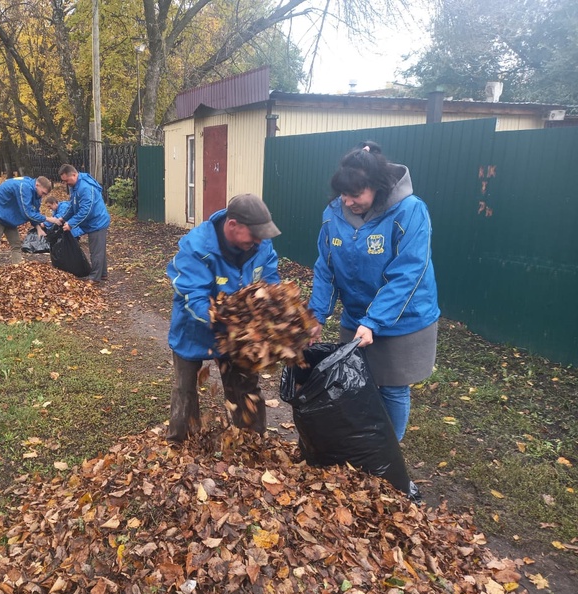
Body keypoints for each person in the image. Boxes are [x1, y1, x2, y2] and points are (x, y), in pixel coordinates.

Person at [308, 141, 440, 441]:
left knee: (392, 387)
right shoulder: (333, 214)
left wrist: (374, 321)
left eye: (355, 195)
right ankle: (364, 442)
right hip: (356, 315)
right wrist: (316, 314)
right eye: (343, 194)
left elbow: (409, 271)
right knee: (355, 382)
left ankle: (388, 452)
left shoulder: (410, 211)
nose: (348, 201)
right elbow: (326, 266)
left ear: (377, 187)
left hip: (404, 317)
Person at [166, 193, 281, 443]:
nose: (260, 241)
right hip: (194, 330)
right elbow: (194, 296)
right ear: (232, 226)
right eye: (254, 235)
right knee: (185, 388)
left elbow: (270, 281)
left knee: (245, 386)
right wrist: (224, 321)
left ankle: (251, 440)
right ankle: (180, 443)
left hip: (239, 334)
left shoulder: (260, 244)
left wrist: (272, 312)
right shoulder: (196, 247)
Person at [0, 175, 52, 276]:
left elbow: (34, 211)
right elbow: (27, 212)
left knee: (16, 245)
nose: (43, 196)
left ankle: (17, 271)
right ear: (37, 185)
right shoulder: (24, 187)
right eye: (43, 193)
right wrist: (48, 218)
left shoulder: (36, 193)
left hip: (9, 217)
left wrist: (38, 228)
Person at [54, 164, 110, 283]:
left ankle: (95, 277)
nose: (65, 183)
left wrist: (71, 224)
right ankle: (103, 274)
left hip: (97, 221)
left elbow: (86, 210)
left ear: (74, 175)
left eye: (66, 180)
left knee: (96, 251)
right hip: (92, 221)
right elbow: (72, 206)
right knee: (99, 249)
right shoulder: (75, 186)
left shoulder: (85, 188)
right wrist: (63, 219)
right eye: (63, 181)